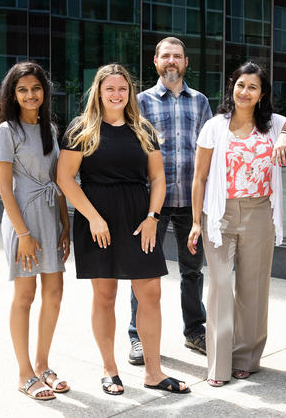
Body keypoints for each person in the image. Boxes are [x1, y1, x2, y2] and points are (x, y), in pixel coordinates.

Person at [57, 63, 190, 395]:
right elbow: (64, 178)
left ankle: (154, 372)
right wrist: (92, 217)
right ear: (98, 92)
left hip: (137, 219)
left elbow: (158, 178)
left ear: (129, 93)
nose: (116, 95)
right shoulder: (82, 129)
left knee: (151, 294)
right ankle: (109, 369)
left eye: (122, 89)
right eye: (109, 89)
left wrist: (153, 217)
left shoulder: (143, 128)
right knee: (105, 296)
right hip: (97, 219)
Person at [188, 61, 286, 387]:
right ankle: (219, 366)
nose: (245, 92)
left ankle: (246, 358)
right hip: (219, 215)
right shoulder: (214, 126)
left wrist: (284, 136)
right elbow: (200, 177)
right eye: (240, 85)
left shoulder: (272, 124)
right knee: (218, 287)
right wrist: (195, 222)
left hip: (260, 213)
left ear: (261, 94)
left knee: (253, 288)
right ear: (233, 87)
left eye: (252, 87)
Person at [128, 37, 213, 366]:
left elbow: (208, 152)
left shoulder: (201, 102)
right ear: (156, 61)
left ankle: (194, 330)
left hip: (190, 203)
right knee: (144, 270)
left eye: (177, 56)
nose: (172, 61)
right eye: (166, 56)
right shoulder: (141, 102)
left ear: (186, 62)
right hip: (153, 205)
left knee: (192, 271)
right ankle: (137, 335)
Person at [0, 61, 71, 400]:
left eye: (35, 88)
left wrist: (66, 224)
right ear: (12, 93)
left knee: (54, 293)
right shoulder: (6, 130)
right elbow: (5, 188)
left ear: (44, 91)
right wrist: (23, 234)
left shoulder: (49, 130)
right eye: (22, 89)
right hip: (22, 220)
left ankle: (42, 364)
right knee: (25, 296)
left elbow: (56, 180)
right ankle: (24, 373)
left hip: (51, 216)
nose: (30, 94)